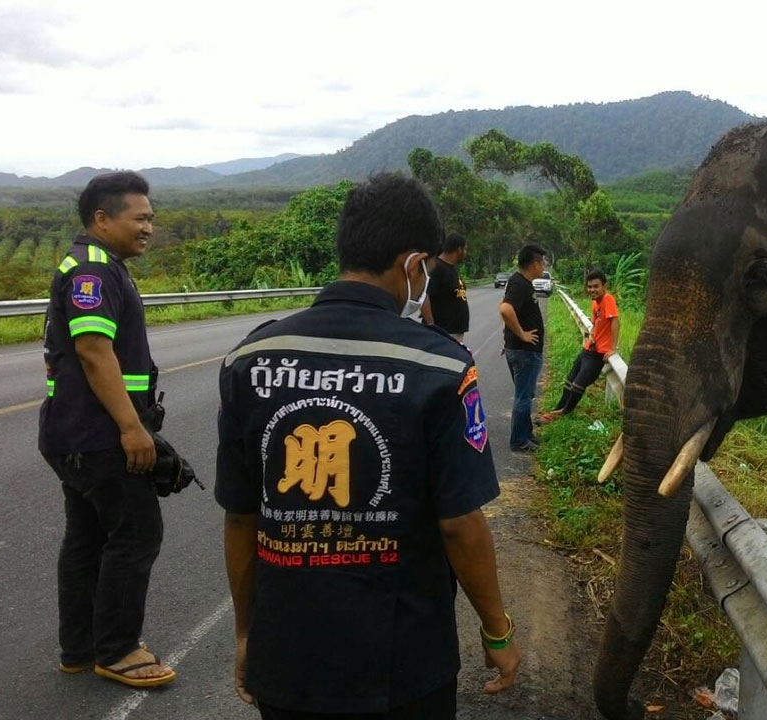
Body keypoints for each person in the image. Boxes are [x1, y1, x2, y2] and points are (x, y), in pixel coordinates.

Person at [216, 172, 520, 720]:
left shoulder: (251, 358)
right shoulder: (442, 365)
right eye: (425, 270)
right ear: (411, 264)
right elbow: (459, 523)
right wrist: (498, 630)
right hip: (403, 662)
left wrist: (246, 634)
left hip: (286, 659)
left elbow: (241, 519)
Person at [39, 171, 176, 688]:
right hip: (97, 436)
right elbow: (94, 350)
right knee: (136, 533)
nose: (149, 227)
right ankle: (117, 649)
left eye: (151, 218)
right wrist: (131, 429)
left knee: (88, 537)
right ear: (102, 218)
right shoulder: (93, 270)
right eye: (139, 217)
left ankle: (79, 648)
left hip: (73, 433)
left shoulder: (93, 266)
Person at [540, 270, 620, 422]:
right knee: (570, 380)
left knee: (578, 384)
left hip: (599, 354)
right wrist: (592, 335)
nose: (592, 290)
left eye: (596, 286)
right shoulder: (595, 303)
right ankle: (557, 409)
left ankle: (563, 413)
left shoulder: (608, 299)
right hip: (589, 349)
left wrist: (613, 348)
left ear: (604, 286)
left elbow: (615, 322)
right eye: (589, 287)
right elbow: (597, 323)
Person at [498, 244, 547, 452]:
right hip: (524, 351)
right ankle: (519, 441)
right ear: (535, 264)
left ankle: (526, 434)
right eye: (542, 262)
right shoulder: (519, 283)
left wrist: (507, 336)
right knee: (523, 396)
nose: (544, 266)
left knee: (525, 394)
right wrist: (521, 334)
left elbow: (509, 308)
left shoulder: (522, 283)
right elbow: (505, 309)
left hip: (520, 350)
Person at [424, 233, 470, 341]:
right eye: (465, 249)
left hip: (454, 332)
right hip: (444, 333)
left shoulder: (451, 268)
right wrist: (431, 325)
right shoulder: (437, 268)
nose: (466, 253)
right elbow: (424, 296)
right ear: (459, 249)